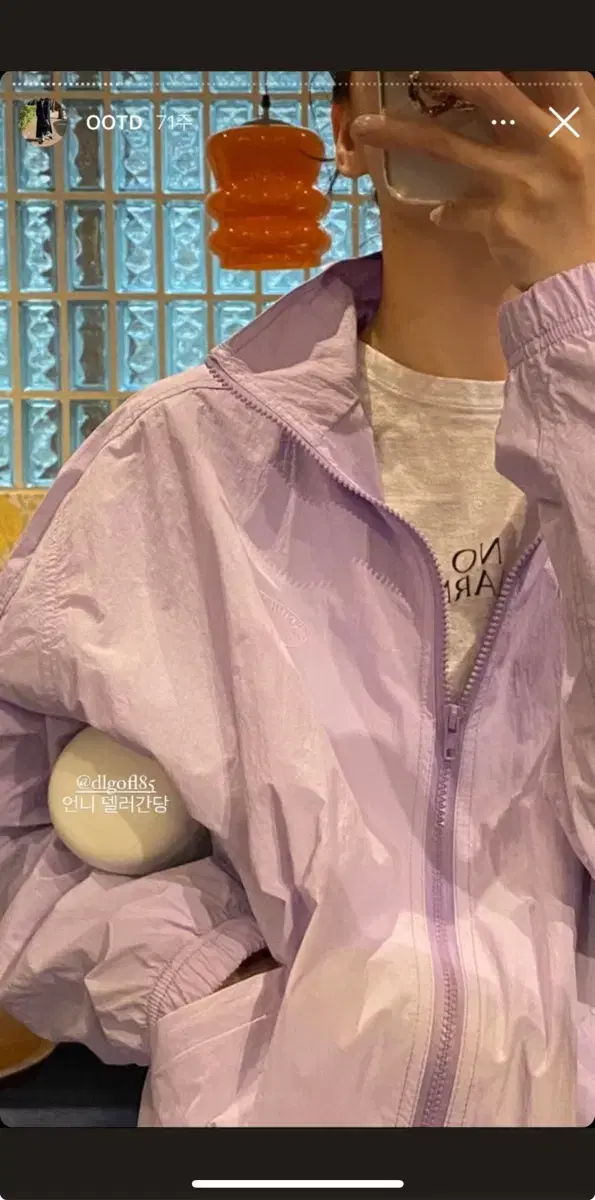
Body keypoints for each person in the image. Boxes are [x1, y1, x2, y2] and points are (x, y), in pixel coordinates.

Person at [1, 69, 595, 1127]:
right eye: (436, 77)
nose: (493, 99)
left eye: (542, 75)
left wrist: (578, 348)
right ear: (350, 129)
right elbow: (14, 817)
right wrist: (194, 981)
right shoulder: (174, 453)